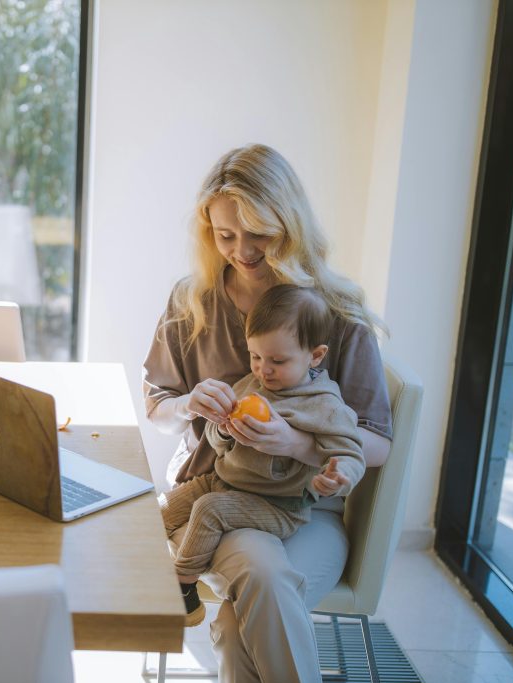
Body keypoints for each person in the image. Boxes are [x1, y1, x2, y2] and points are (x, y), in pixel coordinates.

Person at [143, 143, 392, 683]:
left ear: (290, 224)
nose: (242, 250)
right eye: (225, 235)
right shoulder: (193, 302)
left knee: (238, 622)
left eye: (259, 233)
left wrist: (297, 444)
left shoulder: (334, 315)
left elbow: (375, 442)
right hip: (219, 495)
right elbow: (157, 406)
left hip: (309, 513)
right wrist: (188, 405)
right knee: (259, 572)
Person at [159, 284, 366, 627]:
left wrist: (338, 475)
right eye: (256, 357)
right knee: (160, 511)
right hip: (223, 480)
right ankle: (138, 579)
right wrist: (223, 428)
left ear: (315, 356)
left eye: (278, 361)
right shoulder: (252, 385)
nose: (263, 370)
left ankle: (182, 589)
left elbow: (350, 452)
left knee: (209, 510)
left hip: (278, 505)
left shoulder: (324, 405)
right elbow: (216, 441)